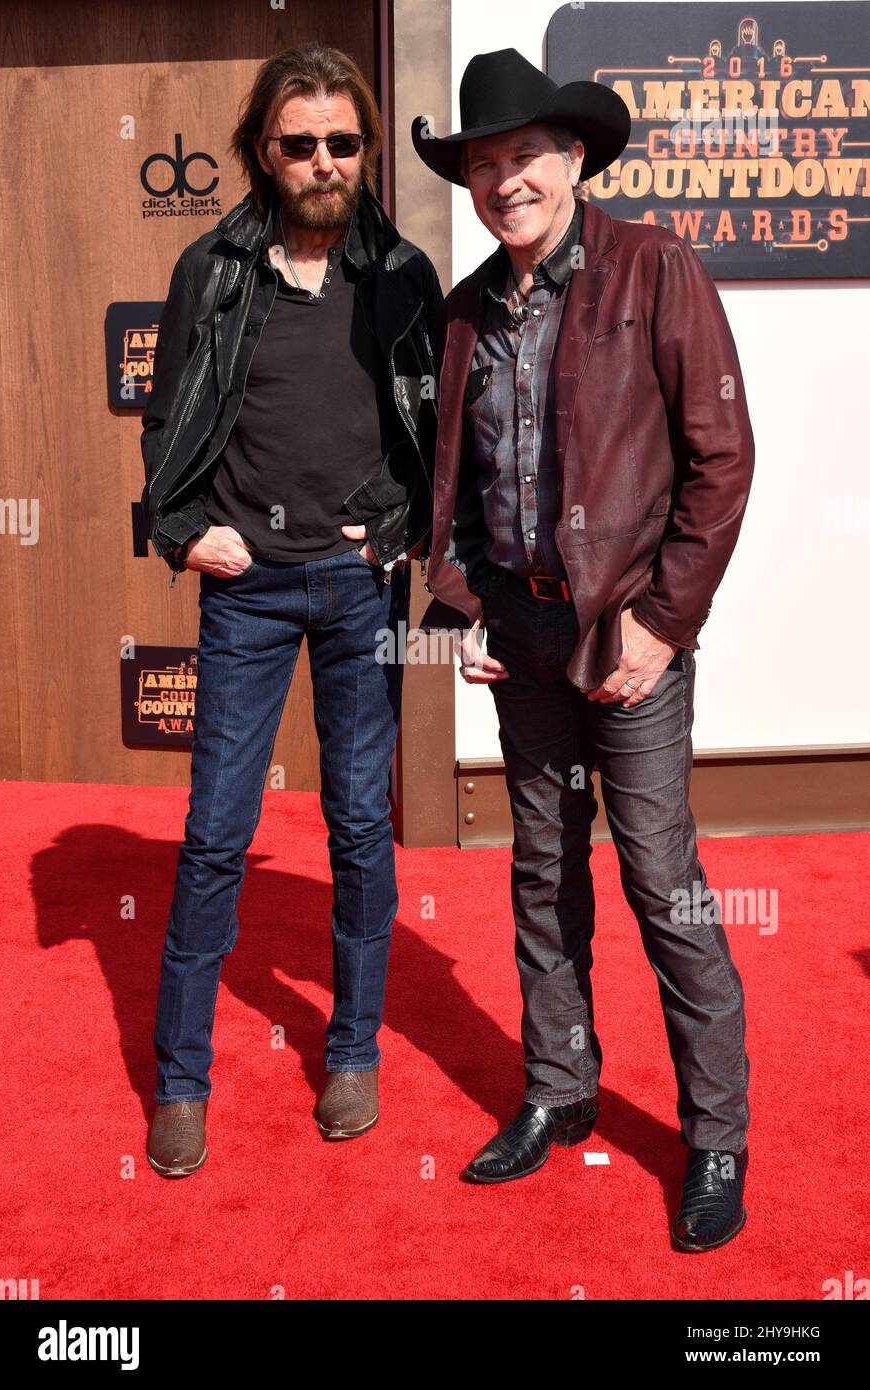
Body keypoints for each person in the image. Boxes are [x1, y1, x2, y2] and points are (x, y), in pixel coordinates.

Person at [414, 48, 754, 1251]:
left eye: (523, 158)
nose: (503, 182)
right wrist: (462, 608)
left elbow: (721, 464)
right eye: (483, 165)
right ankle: (559, 1090)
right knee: (542, 876)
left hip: (632, 633)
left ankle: (716, 1131)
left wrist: (662, 626)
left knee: (664, 882)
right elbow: (452, 483)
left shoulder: (654, 267)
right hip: (525, 633)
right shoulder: (462, 313)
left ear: (574, 160)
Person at [141, 42, 443, 1176]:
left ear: (365, 149)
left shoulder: (404, 277)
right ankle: (180, 1081)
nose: (323, 161)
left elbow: (434, 434)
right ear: (261, 152)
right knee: (218, 832)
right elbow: (164, 416)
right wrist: (181, 530)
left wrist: (402, 520)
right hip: (249, 592)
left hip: (362, 586)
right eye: (299, 142)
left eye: (343, 142)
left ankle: (353, 1049)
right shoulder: (211, 271)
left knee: (361, 825)